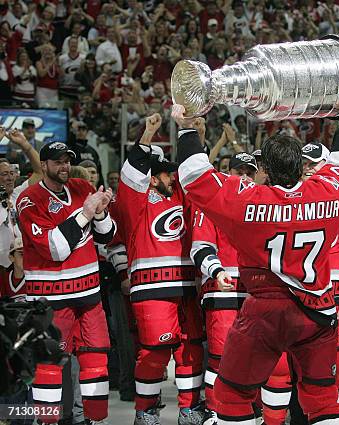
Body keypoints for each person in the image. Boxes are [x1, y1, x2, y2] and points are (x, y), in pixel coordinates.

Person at [171, 96, 339, 425]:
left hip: (266, 311)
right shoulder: (329, 192)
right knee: (323, 398)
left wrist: (187, 128)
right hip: (319, 309)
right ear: (302, 166)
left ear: (265, 170)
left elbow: (195, 178)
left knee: (232, 397)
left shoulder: (250, 200)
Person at [262, 142, 339, 425]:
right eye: (305, 163)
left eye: (315, 163)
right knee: (286, 369)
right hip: (292, 295)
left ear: (328, 165)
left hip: (335, 293)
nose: (309, 169)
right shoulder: (285, 196)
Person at [16, 141, 116, 424]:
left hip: (89, 294)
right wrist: (85, 213)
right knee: (50, 365)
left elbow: (106, 236)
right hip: (51, 299)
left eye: (67, 161)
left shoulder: (81, 187)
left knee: (96, 359)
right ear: (44, 165)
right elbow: (55, 249)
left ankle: (94, 419)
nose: (64, 167)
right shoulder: (29, 200)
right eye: (57, 162)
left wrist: (100, 213)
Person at [116, 114, 205, 425]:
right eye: (167, 175)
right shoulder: (134, 202)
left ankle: (189, 409)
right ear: (152, 179)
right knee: (154, 353)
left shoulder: (179, 196)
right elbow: (132, 172)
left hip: (186, 286)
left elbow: (196, 175)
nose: (173, 179)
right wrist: (149, 131)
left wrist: (197, 133)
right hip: (152, 288)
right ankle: (145, 410)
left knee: (190, 350)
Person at [189, 152, 258, 421]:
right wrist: (216, 270)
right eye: (238, 171)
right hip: (223, 288)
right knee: (220, 356)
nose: (243, 177)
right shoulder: (211, 202)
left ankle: (251, 411)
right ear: (226, 173)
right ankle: (216, 411)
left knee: (257, 356)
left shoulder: (263, 200)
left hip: (256, 291)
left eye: (249, 172)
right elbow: (201, 247)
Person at [0, 127, 43, 269]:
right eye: (4, 174)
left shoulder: (19, 193)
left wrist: (25, 145)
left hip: (21, 264)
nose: (10, 178)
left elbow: (40, 172)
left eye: (12, 173)